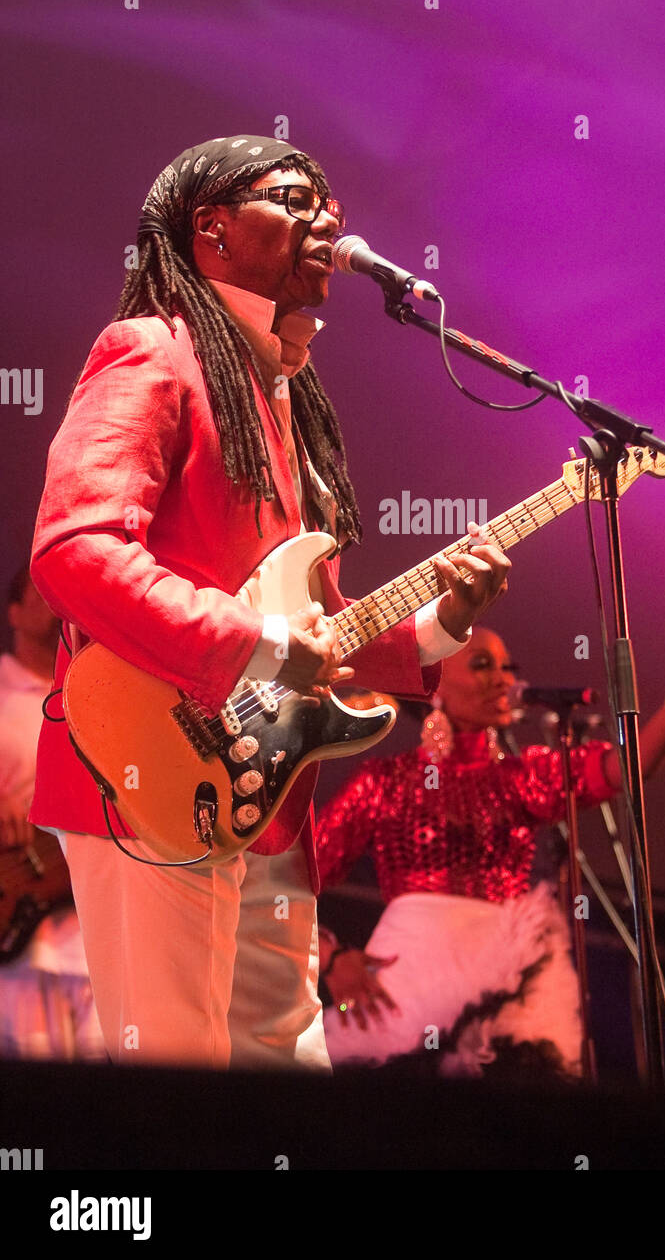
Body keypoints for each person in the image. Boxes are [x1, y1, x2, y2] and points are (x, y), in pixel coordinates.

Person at [28, 135, 510, 1070]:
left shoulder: (279, 393)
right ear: (210, 230)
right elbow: (74, 550)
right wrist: (253, 639)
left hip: (264, 797)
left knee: (283, 1068)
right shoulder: (155, 351)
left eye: (331, 201)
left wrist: (444, 623)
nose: (329, 218)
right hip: (151, 772)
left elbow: (315, 632)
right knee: (179, 1075)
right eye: (295, 198)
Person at [316, 610, 665, 1078]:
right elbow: (292, 879)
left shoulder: (524, 776)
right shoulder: (385, 782)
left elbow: (629, 768)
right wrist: (330, 957)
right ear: (434, 684)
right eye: (483, 665)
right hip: (407, 987)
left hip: (510, 992)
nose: (502, 679)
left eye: (507, 667)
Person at [0, 567, 104, 1061]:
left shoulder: (98, 698)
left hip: (97, 941)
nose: (54, 602)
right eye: (38, 594)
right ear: (13, 613)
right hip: (23, 945)